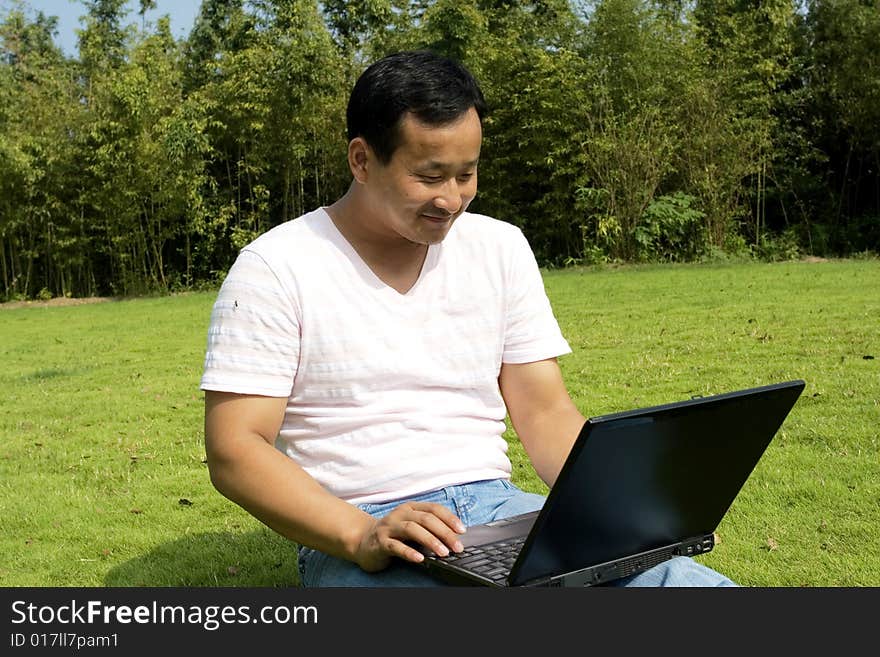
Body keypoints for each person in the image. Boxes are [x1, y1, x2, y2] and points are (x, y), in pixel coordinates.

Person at [200, 50, 735, 587]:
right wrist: (357, 533)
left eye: (467, 174)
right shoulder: (277, 267)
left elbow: (544, 410)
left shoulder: (499, 247)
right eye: (429, 176)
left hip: (500, 510)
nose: (452, 200)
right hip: (362, 524)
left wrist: (615, 507)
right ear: (361, 161)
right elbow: (236, 447)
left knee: (684, 585)